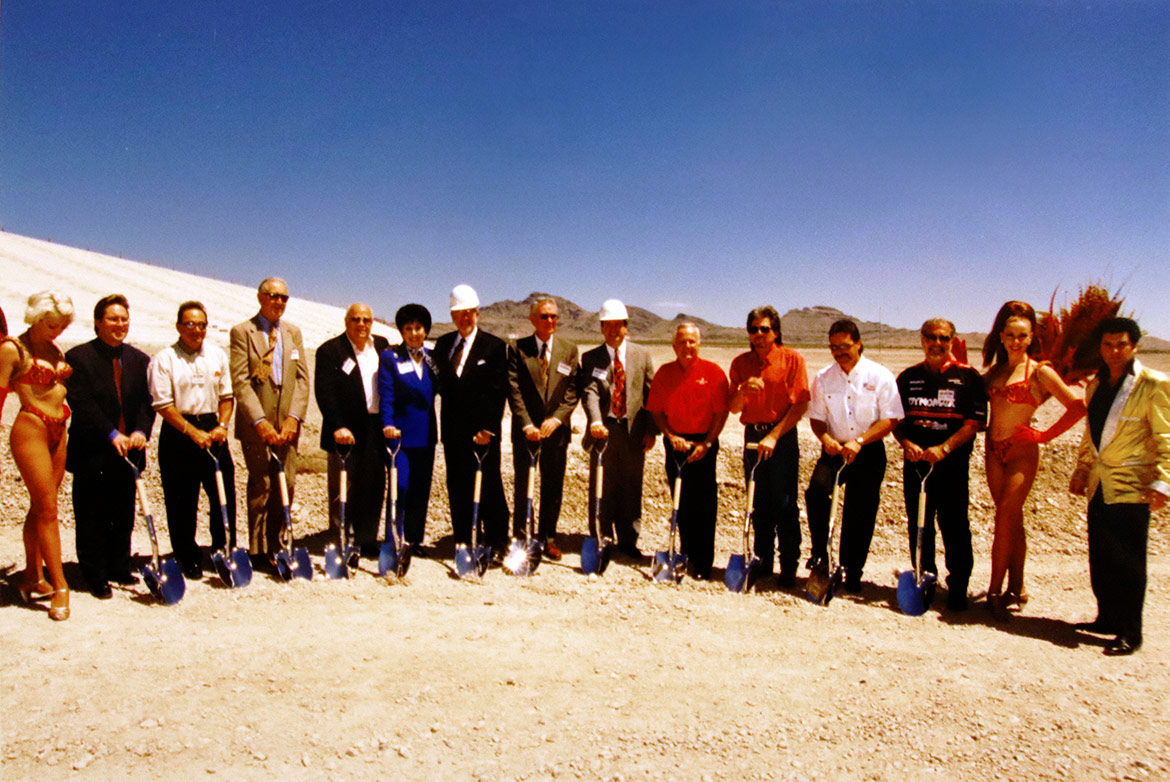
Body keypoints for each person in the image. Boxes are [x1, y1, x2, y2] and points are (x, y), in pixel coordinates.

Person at [1069, 318, 1169, 655]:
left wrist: (1163, 484)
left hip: (1132, 484)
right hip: (1100, 482)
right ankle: (1107, 617)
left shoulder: (1153, 385)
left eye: (1121, 345)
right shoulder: (1095, 385)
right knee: (1101, 554)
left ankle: (1130, 631)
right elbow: (1090, 434)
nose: (1113, 352)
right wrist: (1082, 469)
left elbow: (1166, 438)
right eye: (1108, 345)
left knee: (1128, 559)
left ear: (1135, 346)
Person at [982, 300, 1085, 619]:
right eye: (1010, 335)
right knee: (1011, 519)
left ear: (1031, 338)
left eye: (1022, 335)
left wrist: (1044, 436)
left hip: (1021, 452)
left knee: (1004, 516)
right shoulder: (995, 372)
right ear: (1001, 336)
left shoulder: (1040, 372)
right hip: (992, 450)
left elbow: (1077, 406)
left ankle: (994, 590)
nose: (1016, 341)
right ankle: (1018, 586)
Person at [65, 294, 156, 601]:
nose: (120, 325)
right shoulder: (79, 357)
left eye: (124, 319)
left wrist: (141, 431)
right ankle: (94, 573)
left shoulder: (139, 360)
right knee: (92, 513)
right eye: (113, 319)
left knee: (123, 512)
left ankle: (119, 565)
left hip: (129, 451)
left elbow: (147, 403)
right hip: (94, 450)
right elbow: (82, 403)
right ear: (97, 322)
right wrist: (111, 433)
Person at [893, 318, 987, 611]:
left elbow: (972, 424)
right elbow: (894, 420)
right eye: (931, 337)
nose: (937, 343)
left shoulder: (970, 377)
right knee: (919, 524)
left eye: (944, 338)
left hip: (951, 464)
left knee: (955, 525)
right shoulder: (907, 378)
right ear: (921, 340)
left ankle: (958, 586)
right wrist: (905, 443)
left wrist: (944, 448)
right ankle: (925, 579)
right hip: (916, 463)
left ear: (952, 341)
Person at [805, 319, 903, 593]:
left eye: (845, 346)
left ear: (858, 343)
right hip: (834, 448)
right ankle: (821, 555)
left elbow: (891, 419)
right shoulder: (824, 378)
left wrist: (860, 441)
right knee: (816, 492)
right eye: (833, 347)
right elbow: (817, 418)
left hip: (867, 449)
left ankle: (851, 570)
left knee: (860, 510)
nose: (839, 352)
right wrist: (825, 439)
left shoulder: (879, 375)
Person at [147, 301, 236, 579]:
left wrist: (222, 426)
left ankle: (223, 551)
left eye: (202, 325)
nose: (197, 330)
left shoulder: (217, 355)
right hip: (179, 431)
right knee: (181, 499)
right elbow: (163, 405)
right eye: (190, 324)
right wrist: (191, 431)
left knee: (224, 494)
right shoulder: (164, 359)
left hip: (212, 429)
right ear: (178, 327)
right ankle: (187, 555)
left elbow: (226, 397)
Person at [0, 292, 75, 620]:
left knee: (41, 504)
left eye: (61, 326)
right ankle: (60, 586)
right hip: (31, 427)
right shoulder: (12, 349)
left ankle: (33, 576)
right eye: (50, 324)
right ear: (35, 317)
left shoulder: (54, 348)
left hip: (60, 428)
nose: (56, 331)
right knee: (48, 509)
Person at [230, 277, 311, 569]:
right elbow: (240, 381)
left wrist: (294, 417)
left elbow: (302, 379)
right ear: (261, 297)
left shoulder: (292, 333)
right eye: (274, 296)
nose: (279, 302)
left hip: (287, 421)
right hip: (257, 422)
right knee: (262, 483)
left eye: (284, 298)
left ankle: (280, 543)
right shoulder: (243, 332)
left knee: (286, 483)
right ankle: (257, 549)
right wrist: (260, 421)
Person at [728, 306, 810, 587]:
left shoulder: (792, 360)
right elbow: (733, 408)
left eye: (765, 329)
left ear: (775, 332)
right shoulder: (740, 364)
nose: (759, 335)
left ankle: (789, 566)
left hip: (782, 437)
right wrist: (741, 392)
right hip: (753, 435)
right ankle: (763, 561)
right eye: (754, 329)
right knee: (757, 501)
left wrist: (774, 436)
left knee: (785, 503)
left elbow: (800, 404)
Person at [646, 323, 729, 579]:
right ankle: (684, 554)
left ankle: (703, 562)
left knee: (705, 503)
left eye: (692, 341)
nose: (687, 347)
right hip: (675, 443)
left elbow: (720, 412)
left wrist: (708, 442)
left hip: (703, 443)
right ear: (674, 346)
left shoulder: (713, 372)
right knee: (680, 501)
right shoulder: (664, 373)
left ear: (699, 344)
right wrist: (670, 436)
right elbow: (656, 411)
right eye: (682, 342)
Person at [433, 285, 510, 557]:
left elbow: (499, 391)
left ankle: (499, 541)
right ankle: (464, 538)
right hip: (453, 432)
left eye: (469, 313)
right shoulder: (443, 345)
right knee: (458, 485)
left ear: (477, 313)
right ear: (452, 316)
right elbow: (437, 381)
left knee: (489, 484)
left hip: (482, 433)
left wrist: (488, 427)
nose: (464, 318)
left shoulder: (494, 346)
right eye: (458, 314)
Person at [580, 299, 657, 560]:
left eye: (618, 326)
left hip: (633, 431)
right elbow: (590, 392)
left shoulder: (642, 355)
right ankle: (601, 537)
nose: (613, 331)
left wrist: (651, 430)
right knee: (602, 485)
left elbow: (651, 395)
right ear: (601, 328)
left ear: (626, 327)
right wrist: (594, 421)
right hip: (603, 430)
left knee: (631, 486)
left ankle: (628, 540)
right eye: (607, 326)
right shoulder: (591, 358)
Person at [315, 303, 391, 557]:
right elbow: (324, 392)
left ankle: (366, 539)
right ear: (346, 321)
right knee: (343, 486)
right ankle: (340, 541)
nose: (362, 324)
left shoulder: (382, 346)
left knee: (373, 484)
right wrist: (338, 425)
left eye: (366, 320)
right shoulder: (330, 350)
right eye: (356, 319)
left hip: (375, 427)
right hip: (345, 430)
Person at [506, 296, 579, 559]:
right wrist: (527, 424)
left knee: (553, 485)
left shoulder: (569, 349)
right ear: (532, 319)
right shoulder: (518, 348)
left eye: (554, 316)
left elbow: (572, 390)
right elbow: (514, 390)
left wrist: (557, 418)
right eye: (545, 316)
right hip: (526, 432)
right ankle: (521, 536)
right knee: (524, 483)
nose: (550, 321)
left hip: (556, 432)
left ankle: (548, 537)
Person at [378, 304, 439, 553]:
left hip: (426, 435)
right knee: (400, 486)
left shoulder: (432, 359)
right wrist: (388, 423)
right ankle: (394, 537)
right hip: (400, 436)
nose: (414, 333)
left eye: (418, 328)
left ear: (425, 331)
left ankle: (415, 540)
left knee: (420, 489)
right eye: (408, 328)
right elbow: (387, 394)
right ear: (401, 331)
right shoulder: (390, 358)